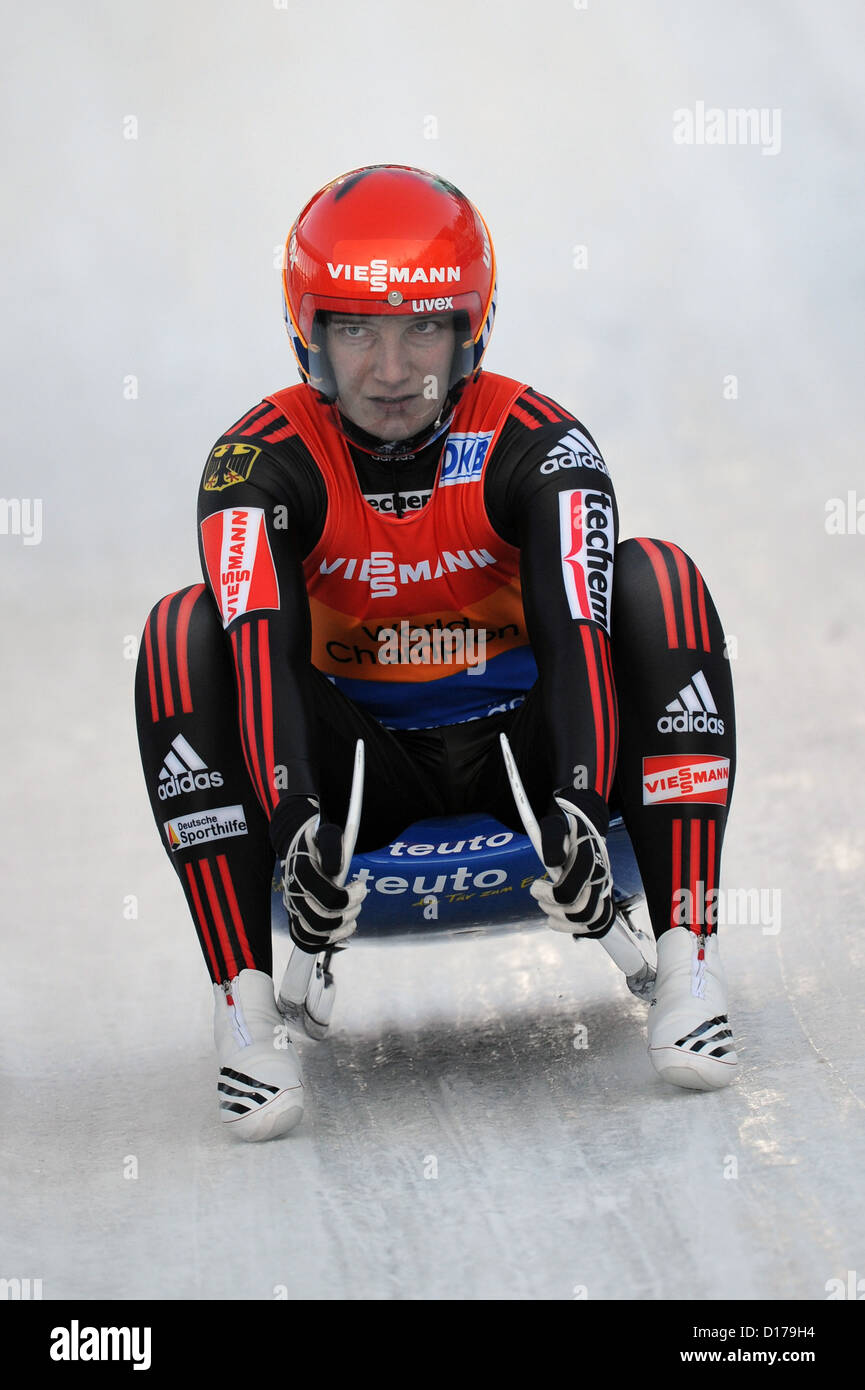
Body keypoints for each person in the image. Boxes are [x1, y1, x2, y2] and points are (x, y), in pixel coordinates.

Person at [135, 164, 738, 1142]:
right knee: (179, 632)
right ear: (307, 332)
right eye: (354, 329)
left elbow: (583, 629)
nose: (388, 367)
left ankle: (687, 960)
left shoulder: (544, 444)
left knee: (656, 576)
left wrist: (583, 799)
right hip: (348, 782)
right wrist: (292, 824)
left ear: (473, 327)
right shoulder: (253, 464)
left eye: (422, 326)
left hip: (535, 766)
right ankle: (245, 1009)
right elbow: (256, 650)